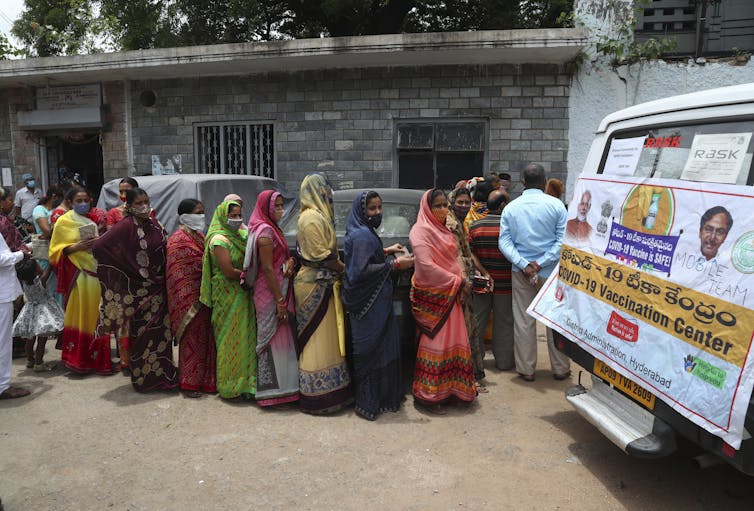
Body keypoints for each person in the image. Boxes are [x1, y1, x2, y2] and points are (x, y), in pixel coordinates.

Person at [92, 188, 178, 391]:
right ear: (129, 206)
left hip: (159, 288)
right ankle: (144, 380)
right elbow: (99, 247)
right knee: (143, 335)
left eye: (146, 201)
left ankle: (163, 375)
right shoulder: (126, 226)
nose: (144, 206)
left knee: (161, 334)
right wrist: (130, 272)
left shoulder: (153, 223)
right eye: (139, 203)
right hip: (142, 291)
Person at [343, 191, 415, 420]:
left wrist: (385, 251)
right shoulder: (363, 236)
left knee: (379, 348)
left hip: (372, 303)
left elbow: (364, 259)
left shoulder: (360, 232)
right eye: (372, 209)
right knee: (373, 351)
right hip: (369, 306)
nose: (377, 213)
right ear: (361, 211)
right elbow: (360, 272)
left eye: (379, 208)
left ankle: (377, 399)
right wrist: (395, 264)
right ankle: (371, 401)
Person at [498, 163, 571, 382]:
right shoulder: (557, 206)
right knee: (554, 319)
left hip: (521, 271)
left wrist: (524, 264)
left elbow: (504, 241)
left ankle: (526, 369)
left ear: (522, 182)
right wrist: (541, 263)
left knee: (523, 320)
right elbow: (563, 241)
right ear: (544, 181)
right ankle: (560, 368)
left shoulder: (511, 207)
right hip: (550, 272)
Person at [410, 188, 476, 413]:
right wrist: (457, 281)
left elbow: (455, 257)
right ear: (428, 207)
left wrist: (462, 279)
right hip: (434, 296)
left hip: (452, 294)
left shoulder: (445, 229)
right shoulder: (419, 232)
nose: (442, 209)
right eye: (437, 206)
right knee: (436, 342)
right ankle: (429, 394)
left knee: (455, 341)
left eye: (444, 205)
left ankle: (453, 389)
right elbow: (427, 266)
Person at [294, 174, 352, 414]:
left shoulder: (318, 217)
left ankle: (333, 391)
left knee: (329, 338)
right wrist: (347, 270)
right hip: (314, 285)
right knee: (316, 339)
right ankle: (317, 396)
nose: (329, 194)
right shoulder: (310, 219)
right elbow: (324, 256)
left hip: (324, 284)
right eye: (325, 189)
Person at [242, 190, 300, 407]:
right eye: (276, 206)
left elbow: (278, 260)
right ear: (266, 207)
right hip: (270, 293)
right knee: (272, 338)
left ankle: (286, 388)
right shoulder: (265, 231)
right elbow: (267, 268)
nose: (280, 210)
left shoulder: (271, 228)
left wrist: (290, 262)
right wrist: (280, 300)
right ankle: (272, 392)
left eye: (281, 206)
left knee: (282, 337)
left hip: (278, 288)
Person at [49, 187, 113, 374]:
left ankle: (99, 360)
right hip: (78, 276)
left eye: (86, 199)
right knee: (79, 316)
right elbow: (54, 252)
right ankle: (77, 361)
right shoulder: (63, 221)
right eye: (78, 200)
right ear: (70, 202)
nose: (83, 203)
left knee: (96, 316)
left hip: (95, 273)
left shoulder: (92, 220)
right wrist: (76, 247)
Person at [199, 199, 257, 399]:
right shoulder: (218, 240)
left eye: (238, 215)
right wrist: (251, 276)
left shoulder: (240, 234)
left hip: (243, 292)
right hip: (227, 294)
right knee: (229, 339)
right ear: (223, 216)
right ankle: (230, 387)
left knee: (246, 338)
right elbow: (228, 271)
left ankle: (248, 384)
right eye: (232, 216)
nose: (236, 219)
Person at [166, 199, 217, 397]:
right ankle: (189, 383)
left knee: (205, 341)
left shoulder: (199, 235)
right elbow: (179, 272)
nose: (202, 216)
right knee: (192, 341)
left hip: (204, 297)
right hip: (189, 301)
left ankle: (205, 381)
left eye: (203, 212)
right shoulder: (178, 240)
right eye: (198, 212)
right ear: (185, 216)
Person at [446, 187, 491, 388]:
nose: (464, 206)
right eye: (460, 202)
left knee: (469, 327)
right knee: (463, 330)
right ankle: (464, 378)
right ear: (452, 202)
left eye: (467, 203)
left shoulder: (461, 223)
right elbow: (455, 256)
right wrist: (465, 281)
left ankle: (470, 375)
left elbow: (467, 252)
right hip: (457, 283)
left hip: (465, 280)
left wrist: (481, 271)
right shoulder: (450, 224)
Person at [469, 189, 514, 371]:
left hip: (482, 283)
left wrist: (484, 272)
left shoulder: (475, 226)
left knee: (478, 322)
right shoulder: (509, 228)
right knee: (504, 323)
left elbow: (470, 253)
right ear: (502, 205)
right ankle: (504, 362)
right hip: (505, 283)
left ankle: (476, 364)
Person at [12, 258, 63, 372]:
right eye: (38, 265)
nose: (41, 266)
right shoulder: (41, 280)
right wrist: (51, 261)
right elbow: (49, 269)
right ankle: (39, 363)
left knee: (30, 340)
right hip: (43, 314)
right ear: (35, 272)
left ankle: (30, 360)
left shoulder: (24, 282)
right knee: (41, 340)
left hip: (30, 312)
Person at [0, 232, 31, 399]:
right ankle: (2, 386)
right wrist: (21, 255)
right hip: (1, 294)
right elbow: (2, 259)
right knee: (3, 342)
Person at [0, 187, 28, 251]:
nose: (13, 203)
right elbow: (12, 247)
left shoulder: (6, 219)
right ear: (1, 203)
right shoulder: (3, 222)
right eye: (11, 200)